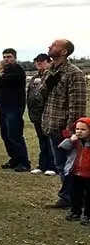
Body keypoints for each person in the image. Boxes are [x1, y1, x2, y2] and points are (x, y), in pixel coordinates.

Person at [40, 39, 87, 209]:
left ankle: (74, 199)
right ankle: (68, 197)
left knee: (72, 165)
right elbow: (40, 97)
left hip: (65, 128)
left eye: (54, 45)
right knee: (60, 164)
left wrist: (72, 130)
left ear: (64, 52)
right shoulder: (50, 71)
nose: (49, 47)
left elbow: (78, 104)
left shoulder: (74, 73)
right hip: (51, 124)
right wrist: (47, 83)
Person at [0, 48, 29, 172]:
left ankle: (24, 162)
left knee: (14, 134)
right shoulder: (3, 71)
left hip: (14, 106)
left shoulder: (18, 71)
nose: (6, 59)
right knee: (5, 135)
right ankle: (14, 159)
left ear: (15, 58)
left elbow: (2, 81)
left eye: (9, 57)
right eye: (4, 57)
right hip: (3, 107)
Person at [27, 54, 56, 175]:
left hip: (48, 113)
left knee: (49, 140)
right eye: (37, 62)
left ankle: (52, 166)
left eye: (42, 61)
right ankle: (42, 165)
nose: (39, 64)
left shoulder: (51, 76)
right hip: (36, 114)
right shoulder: (34, 78)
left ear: (49, 62)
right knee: (41, 140)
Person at [58, 117, 90, 223]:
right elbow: (62, 147)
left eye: (83, 129)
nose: (79, 131)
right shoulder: (75, 142)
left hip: (88, 174)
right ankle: (75, 212)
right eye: (77, 129)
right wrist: (71, 140)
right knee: (75, 194)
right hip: (76, 173)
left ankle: (87, 215)